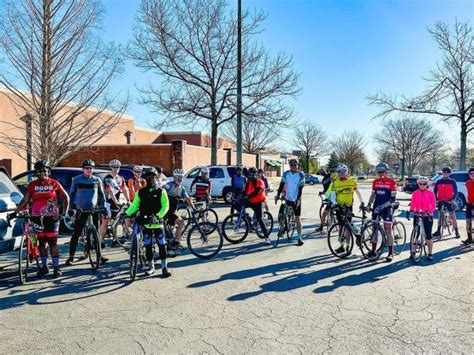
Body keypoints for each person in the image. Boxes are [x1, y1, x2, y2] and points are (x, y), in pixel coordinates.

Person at [11, 161, 69, 278]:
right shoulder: (32, 185)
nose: (42, 173)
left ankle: (56, 268)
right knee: (41, 243)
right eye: (39, 171)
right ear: (36, 173)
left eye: (44, 171)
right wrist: (15, 212)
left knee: (52, 242)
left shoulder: (54, 183)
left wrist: (64, 213)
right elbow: (25, 200)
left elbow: (65, 197)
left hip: (52, 217)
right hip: (37, 217)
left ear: (48, 172)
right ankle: (44, 267)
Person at [126, 167, 171, 277]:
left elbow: (166, 206)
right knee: (148, 245)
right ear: (145, 178)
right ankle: (151, 267)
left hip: (158, 222)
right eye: (148, 177)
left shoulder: (161, 191)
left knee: (161, 244)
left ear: (156, 178)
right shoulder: (140, 192)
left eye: (153, 177)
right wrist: (126, 213)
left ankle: (164, 267)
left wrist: (158, 215)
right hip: (146, 222)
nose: (151, 179)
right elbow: (134, 205)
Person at [66, 159, 108, 266]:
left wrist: (104, 208)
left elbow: (102, 195)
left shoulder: (97, 180)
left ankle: (100, 255)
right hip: (81, 210)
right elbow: (71, 195)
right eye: (87, 168)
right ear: (83, 169)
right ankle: (71, 257)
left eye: (91, 168)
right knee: (77, 233)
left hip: (94, 209)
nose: (89, 170)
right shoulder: (76, 180)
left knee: (97, 233)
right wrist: (71, 209)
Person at [366, 163, 398, 262]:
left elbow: (393, 199)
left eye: (382, 171)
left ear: (386, 171)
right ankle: (373, 250)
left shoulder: (392, 182)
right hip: (376, 207)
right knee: (375, 228)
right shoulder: (375, 182)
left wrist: (383, 206)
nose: (380, 173)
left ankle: (390, 252)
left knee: (388, 229)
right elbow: (373, 195)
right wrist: (369, 204)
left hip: (387, 207)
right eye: (379, 171)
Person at [330, 164, 363, 255]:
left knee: (347, 227)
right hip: (339, 207)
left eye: (344, 171)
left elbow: (357, 192)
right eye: (340, 172)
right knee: (341, 226)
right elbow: (332, 196)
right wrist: (335, 204)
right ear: (338, 173)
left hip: (348, 206)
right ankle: (342, 246)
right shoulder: (335, 183)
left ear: (347, 172)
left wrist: (362, 202)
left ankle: (348, 247)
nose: (342, 173)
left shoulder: (351, 181)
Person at [100, 159, 130, 247]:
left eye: (117, 167)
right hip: (108, 202)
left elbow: (125, 189)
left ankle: (114, 239)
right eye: (114, 167)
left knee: (116, 221)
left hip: (117, 202)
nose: (116, 169)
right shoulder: (108, 178)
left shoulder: (120, 178)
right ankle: (100, 240)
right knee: (106, 221)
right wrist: (116, 202)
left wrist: (128, 200)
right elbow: (109, 191)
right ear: (111, 168)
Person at [275, 159, 305, 246]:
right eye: (291, 165)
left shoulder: (300, 175)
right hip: (287, 198)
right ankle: (282, 228)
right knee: (281, 214)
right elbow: (281, 185)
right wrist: (278, 195)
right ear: (290, 166)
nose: (293, 167)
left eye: (295, 165)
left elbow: (300, 189)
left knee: (297, 218)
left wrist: (298, 199)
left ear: (297, 166)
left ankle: (299, 237)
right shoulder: (286, 174)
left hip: (296, 199)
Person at [163, 168, 195, 250]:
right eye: (177, 177)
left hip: (172, 211)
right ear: (174, 177)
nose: (179, 179)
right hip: (165, 211)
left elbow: (188, 198)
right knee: (180, 222)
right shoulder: (169, 185)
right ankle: (175, 243)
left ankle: (175, 243)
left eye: (181, 177)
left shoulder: (181, 188)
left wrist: (194, 208)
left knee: (180, 223)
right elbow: (159, 192)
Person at [410, 177, 436, 261]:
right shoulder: (415, 193)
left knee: (428, 234)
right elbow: (413, 204)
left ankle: (430, 253)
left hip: (427, 215)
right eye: (420, 183)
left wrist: (430, 211)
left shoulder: (430, 193)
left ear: (427, 184)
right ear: (418, 184)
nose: (422, 185)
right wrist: (412, 210)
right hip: (417, 214)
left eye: (424, 184)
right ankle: (413, 252)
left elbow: (433, 205)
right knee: (415, 234)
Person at [243, 167, 270, 245]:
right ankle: (248, 219)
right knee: (238, 205)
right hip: (251, 201)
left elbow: (256, 192)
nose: (251, 176)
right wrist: (238, 196)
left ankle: (266, 237)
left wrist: (248, 196)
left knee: (260, 219)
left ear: (256, 174)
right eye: (250, 174)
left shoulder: (260, 182)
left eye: (253, 174)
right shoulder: (248, 182)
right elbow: (244, 191)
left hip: (259, 202)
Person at [433, 166, 460, 239]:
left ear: (450, 173)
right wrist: (436, 199)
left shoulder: (452, 181)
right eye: (444, 172)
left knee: (452, 215)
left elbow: (456, 192)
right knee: (439, 215)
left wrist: (452, 199)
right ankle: (438, 231)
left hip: (449, 200)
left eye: (447, 172)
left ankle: (457, 231)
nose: (445, 173)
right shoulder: (439, 181)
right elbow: (435, 191)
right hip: (441, 200)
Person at [315, 168, 333, 232]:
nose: (322, 173)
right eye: (321, 172)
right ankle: (321, 227)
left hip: (335, 196)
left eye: (323, 171)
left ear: (326, 171)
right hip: (329, 197)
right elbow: (325, 190)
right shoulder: (323, 180)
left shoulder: (331, 175)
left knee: (325, 213)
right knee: (324, 214)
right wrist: (322, 192)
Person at [463, 167, 474, 245]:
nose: (472, 175)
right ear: (469, 174)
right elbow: (467, 193)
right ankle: (469, 238)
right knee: (468, 221)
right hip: (469, 203)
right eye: (471, 173)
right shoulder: (467, 182)